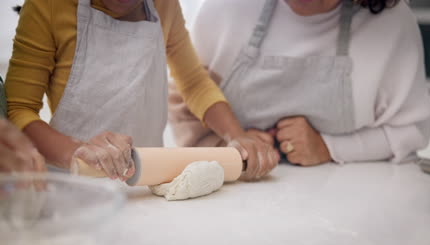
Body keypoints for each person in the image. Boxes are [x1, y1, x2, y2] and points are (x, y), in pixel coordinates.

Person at [5, 0, 278, 181]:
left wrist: (237, 135)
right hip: (74, 184)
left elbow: (194, 82)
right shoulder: (48, 6)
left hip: (149, 180)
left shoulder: (164, 5)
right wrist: (77, 152)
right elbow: (18, 110)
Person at [168, 0, 430, 166]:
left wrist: (328, 147)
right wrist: (233, 150)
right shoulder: (224, 9)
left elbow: (411, 131)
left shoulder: (392, 25)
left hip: (353, 208)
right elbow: (185, 104)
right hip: (235, 209)